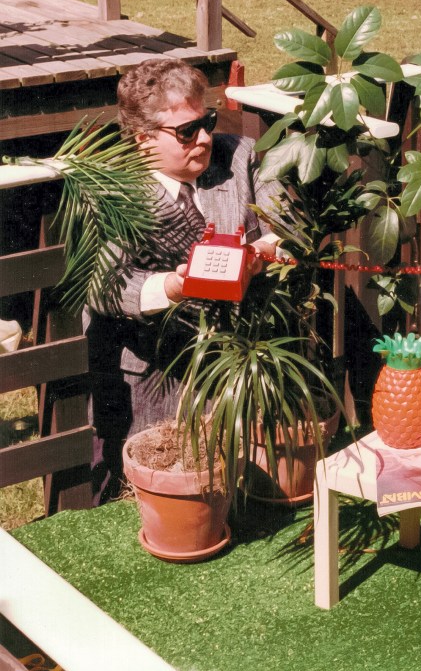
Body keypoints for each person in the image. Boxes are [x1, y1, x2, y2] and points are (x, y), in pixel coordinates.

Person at [87, 58, 284, 505]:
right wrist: (170, 288)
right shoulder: (112, 191)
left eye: (207, 122)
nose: (206, 138)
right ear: (142, 139)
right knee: (160, 502)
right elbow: (103, 284)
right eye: (186, 131)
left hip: (240, 366)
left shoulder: (240, 154)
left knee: (243, 498)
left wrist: (264, 251)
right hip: (157, 377)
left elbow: (285, 222)